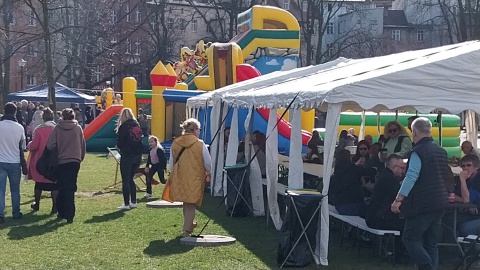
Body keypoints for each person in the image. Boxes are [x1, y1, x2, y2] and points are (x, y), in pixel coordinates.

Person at [391, 117, 449, 270]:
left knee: (410, 238)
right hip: (440, 201)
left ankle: (427, 266)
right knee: (431, 243)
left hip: (423, 202)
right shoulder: (441, 151)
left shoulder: (417, 151)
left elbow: (411, 176)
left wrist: (398, 199)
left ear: (414, 132)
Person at [168, 118, 212, 237]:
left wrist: (171, 174)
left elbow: (171, 162)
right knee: (191, 203)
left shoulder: (176, 142)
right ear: (195, 130)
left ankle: (189, 224)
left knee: (186, 202)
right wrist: (209, 172)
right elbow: (208, 162)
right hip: (195, 176)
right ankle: (186, 230)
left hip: (180, 175)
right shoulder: (200, 144)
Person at [46, 108, 85, 223]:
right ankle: (70, 213)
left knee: (62, 186)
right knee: (71, 187)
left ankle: (62, 211)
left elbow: (50, 145)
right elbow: (82, 144)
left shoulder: (57, 128)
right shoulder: (78, 128)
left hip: (62, 161)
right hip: (74, 160)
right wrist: (80, 157)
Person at [27, 108, 58, 213]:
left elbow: (34, 145)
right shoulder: (56, 129)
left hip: (40, 160)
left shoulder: (39, 129)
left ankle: (37, 204)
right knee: (54, 184)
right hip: (53, 160)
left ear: (43, 118)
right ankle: (55, 206)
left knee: (39, 183)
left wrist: (29, 144)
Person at [0, 102, 26, 223]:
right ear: (15, 112)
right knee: (15, 189)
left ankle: (0, 213)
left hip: (1, 160)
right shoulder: (19, 127)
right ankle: (16, 212)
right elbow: (23, 146)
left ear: (4, 111)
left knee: (1, 190)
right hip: (15, 161)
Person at [330, 149, 376, 217]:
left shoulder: (336, 171)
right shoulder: (354, 169)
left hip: (339, 205)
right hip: (353, 206)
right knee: (373, 210)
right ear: (349, 158)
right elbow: (371, 171)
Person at [366, 154, 405, 231]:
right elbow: (401, 197)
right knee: (410, 226)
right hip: (379, 219)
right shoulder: (390, 180)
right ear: (394, 167)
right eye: (402, 168)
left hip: (374, 217)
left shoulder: (384, 175)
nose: (403, 171)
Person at [116, 108, 143, 210]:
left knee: (125, 179)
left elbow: (120, 142)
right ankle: (133, 201)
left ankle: (126, 203)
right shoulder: (137, 125)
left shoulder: (123, 127)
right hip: (137, 155)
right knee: (131, 178)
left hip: (127, 155)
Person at [450, 155, 480, 236]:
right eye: (463, 166)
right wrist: (462, 200)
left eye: (469, 165)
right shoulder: (466, 179)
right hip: (471, 214)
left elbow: (467, 199)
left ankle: (470, 248)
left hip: (477, 215)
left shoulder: (477, 179)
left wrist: (462, 180)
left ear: (476, 167)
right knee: (449, 220)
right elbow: (452, 196)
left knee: (465, 228)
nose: (465, 168)